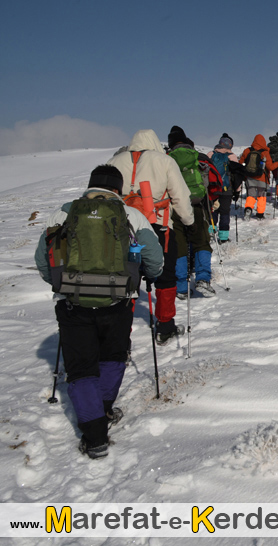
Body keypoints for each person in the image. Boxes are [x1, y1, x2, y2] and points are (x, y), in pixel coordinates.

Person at [35, 165, 163, 459]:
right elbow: (154, 258)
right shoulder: (131, 215)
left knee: (81, 367)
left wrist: (61, 283)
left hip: (72, 303)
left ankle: (94, 437)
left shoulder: (63, 213)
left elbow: (44, 259)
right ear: (117, 189)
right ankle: (103, 409)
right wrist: (147, 276)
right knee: (113, 357)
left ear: (90, 186)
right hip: (118, 301)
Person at [108, 130, 196, 343]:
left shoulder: (114, 161)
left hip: (122, 231)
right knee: (166, 277)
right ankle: (165, 326)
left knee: (126, 280)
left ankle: (120, 338)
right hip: (158, 227)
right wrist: (188, 221)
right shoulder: (164, 161)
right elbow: (180, 196)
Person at [166, 127, 216, 298]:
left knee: (179, 246)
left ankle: (180, 286)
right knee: (202, 242)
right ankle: (203, 279)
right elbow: (215, 179)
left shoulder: (166, 160)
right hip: (197, 205)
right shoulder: (198, 157)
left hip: (173, 208)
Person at [207, 134, 241, 243]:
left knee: (213, 210)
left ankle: (210, 232)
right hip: (227, 189)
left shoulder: (211, 154)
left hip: (212, 188)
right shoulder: (232, 156)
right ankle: (223, 237)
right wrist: (237, 191)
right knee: (225, 212)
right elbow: (236, 175)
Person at [240, 134, 278, 219]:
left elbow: (241, 164)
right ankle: (260, 214)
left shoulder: (247, 151)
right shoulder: (265, 152)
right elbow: (270, 167)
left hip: (250, 177)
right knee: (261, 196)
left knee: (251, 195)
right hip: (262, 178)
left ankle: (248, 208)